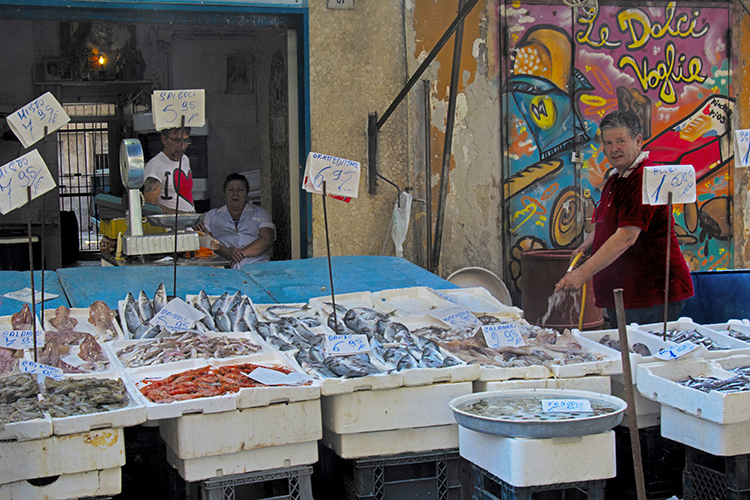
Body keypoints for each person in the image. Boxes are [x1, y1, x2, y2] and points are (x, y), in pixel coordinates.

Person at [554, 110, 694, 328]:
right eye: (608, 143)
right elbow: (606, 224)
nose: (614, 149)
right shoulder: (616, 177)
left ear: (638, 141)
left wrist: (582, 273)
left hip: (650, 297)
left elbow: (626, 236)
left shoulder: (643, 179)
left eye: (620, 141)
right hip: (623, 292)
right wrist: (585, 245)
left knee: (641, 356)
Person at [199, 173, 274, 269]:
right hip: (222, 268)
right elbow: (204, 238)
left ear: (246, 194)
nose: (235, 193)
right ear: (225, 194)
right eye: (231, 190)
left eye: (240, 190)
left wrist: (241, 253)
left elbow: (267, 239)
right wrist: (224, 250)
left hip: (257, 266)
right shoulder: (211, 215)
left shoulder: (260, 213)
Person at [143, 127, 194, 213]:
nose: (182, 146)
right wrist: (180, 215)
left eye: (185, 141)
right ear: (164, 139)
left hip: (188, 223)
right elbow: (149, 205)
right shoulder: (156, 164)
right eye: (176, 140)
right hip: (168, 225)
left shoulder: (185, 159)